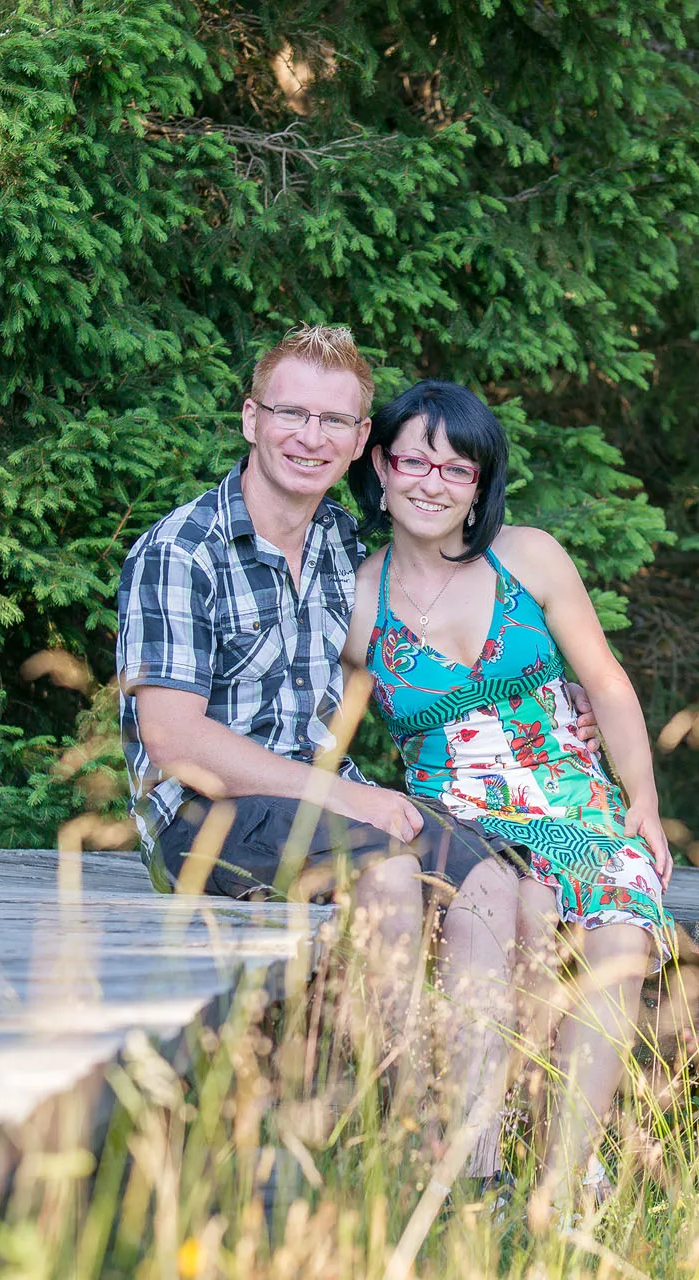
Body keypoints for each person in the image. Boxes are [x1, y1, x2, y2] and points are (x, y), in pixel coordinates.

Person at [113, 326, 600, 1166]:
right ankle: (402, 1148)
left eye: (335, 421)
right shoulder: (182, 551)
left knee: (494, 879)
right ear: (249, 419)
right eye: (291, 412)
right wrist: (340, 793)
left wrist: (559, 690)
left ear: (358, 446)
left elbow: (460, 612)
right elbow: (173, 740)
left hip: (323, 798)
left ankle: (475, 1163)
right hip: (204, 815)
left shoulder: (345, 546)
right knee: (388, 868)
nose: (311, 436)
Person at [342, 379, 677, 1225]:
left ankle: (569, 1179)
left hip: (574, 798)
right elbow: (325, 736)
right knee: (519, 910)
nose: (432, 482)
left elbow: (604, 678)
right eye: (414, 460)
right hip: (457, 817)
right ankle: (479, 1175)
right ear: (380, 467)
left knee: (622, 932)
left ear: (480, 485)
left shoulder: (526, 555)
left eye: (457, 469)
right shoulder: (355, 599)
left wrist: (642, 800)